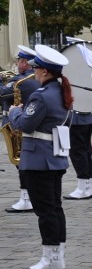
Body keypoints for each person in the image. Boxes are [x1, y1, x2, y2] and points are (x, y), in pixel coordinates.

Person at [8, 45, 73, 269]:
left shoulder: (41, 95)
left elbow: (24, 124)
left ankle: (50, 258)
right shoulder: (61, 92)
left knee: (45, 211)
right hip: (53, 156)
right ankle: (57, 255)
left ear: (44, 72)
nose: (33, 73)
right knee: (55, 208)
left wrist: (14, 111)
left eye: (36, 69)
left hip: (38, 159)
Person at [2, 46, 41, 213]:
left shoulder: (23, 81)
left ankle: (27, 198)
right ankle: (28, 197)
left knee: (22, 163)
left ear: (25, 62)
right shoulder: (27, 78)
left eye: (18, 60)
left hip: (19, 124)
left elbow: (2, 93)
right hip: (22, 122)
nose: (17, 63)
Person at [64, 107, 92, 201]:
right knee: (86, 151)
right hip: (88, 117)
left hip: (76, 118)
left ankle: (83, 188)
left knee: (77, 153)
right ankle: (88, 186)